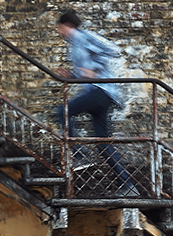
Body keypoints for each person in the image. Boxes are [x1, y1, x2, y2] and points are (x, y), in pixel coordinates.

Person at [55, 10, 137, 197]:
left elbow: (113, 50)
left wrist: (96, 70)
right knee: (102, 143)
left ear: (67, 25)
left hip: (102, 92)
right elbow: (85, 73)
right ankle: (128, 185)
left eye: (60, 28)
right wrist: (73, 76)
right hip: (97, 93)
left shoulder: (83, 36)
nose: (59, 32)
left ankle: (78, 154)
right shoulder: (74, 45)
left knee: (62, 112)